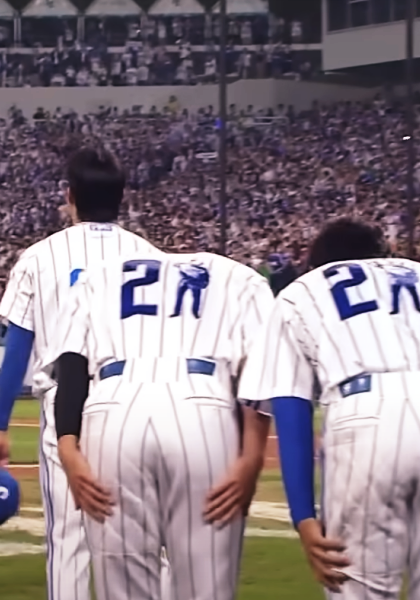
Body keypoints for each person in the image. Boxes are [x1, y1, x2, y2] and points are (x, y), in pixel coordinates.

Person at [238, 217, 420, 600]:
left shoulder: (303, 289)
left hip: (364, 416)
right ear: (383, 253)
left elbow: (291, 406)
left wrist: (303, 516)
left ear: (317, 262)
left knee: (358, 589)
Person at [0, 147, 164, 600]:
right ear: (121, 197)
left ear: (70, 196)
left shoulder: (39, 256)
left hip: (68, 405)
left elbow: (18, 348)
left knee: (69, 540)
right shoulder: (151, 256)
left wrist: (0, 426)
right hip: (136, 400)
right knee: (145, 536)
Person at [47, 250, 274, 600]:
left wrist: (67, 446)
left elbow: (72, 368)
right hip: (203, 402)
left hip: (113, 405)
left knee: (121, 587)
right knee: (206, 584)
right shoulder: (240, 276)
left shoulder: (96, 275)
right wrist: (252, 455)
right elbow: (259, 368)